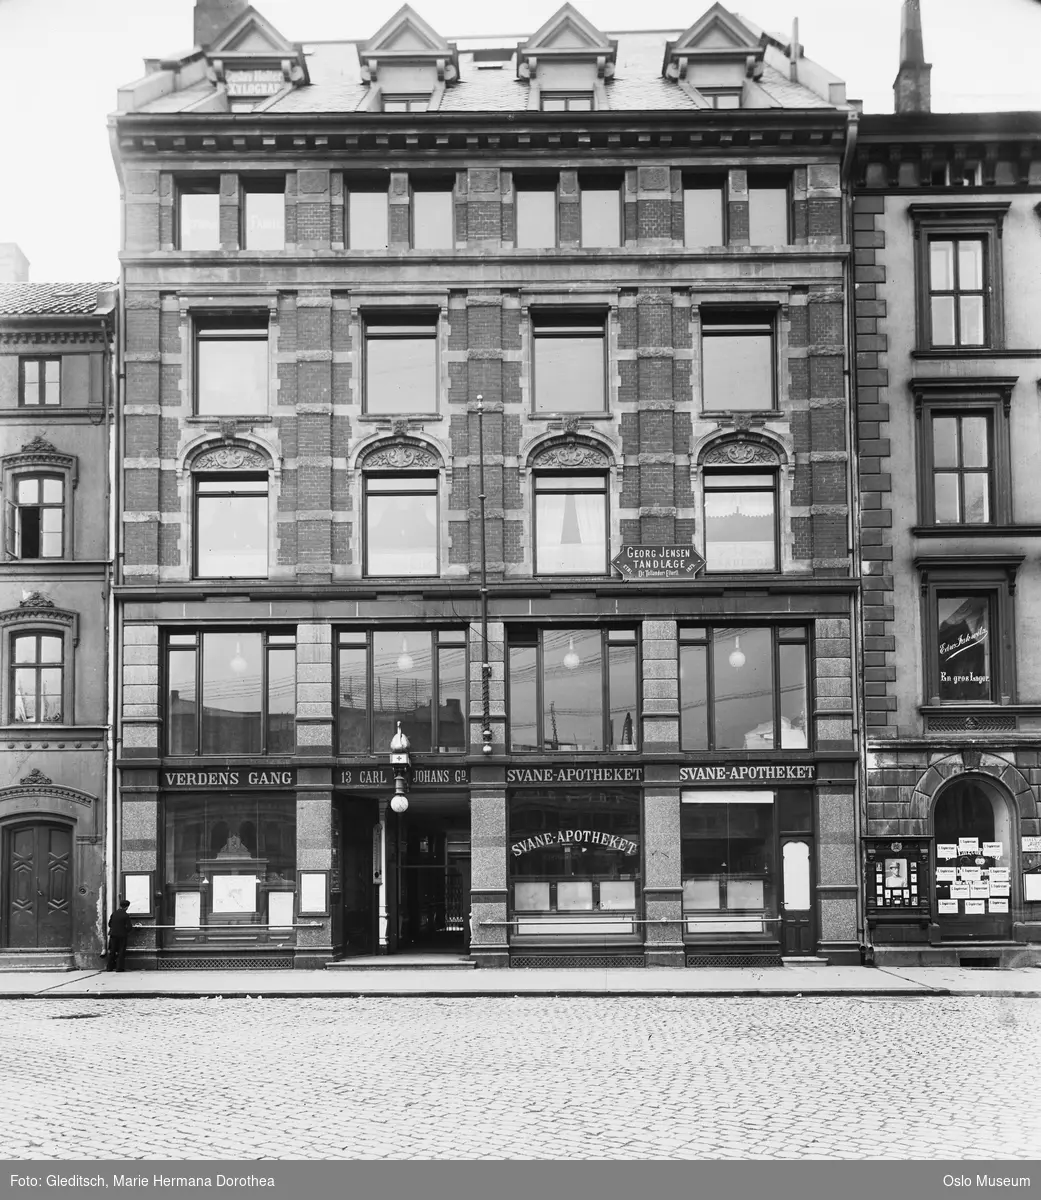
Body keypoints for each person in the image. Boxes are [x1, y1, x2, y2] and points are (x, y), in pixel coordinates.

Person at [106, 899, 133, 972]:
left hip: (113, 934)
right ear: (127, 907)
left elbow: (109, 924)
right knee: (121, 951)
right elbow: (129, 927)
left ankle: (109, 967)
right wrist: (125, 931)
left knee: (112, 951)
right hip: (122, 935)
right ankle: (119, 968)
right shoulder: (125, 915)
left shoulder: (114, 913)